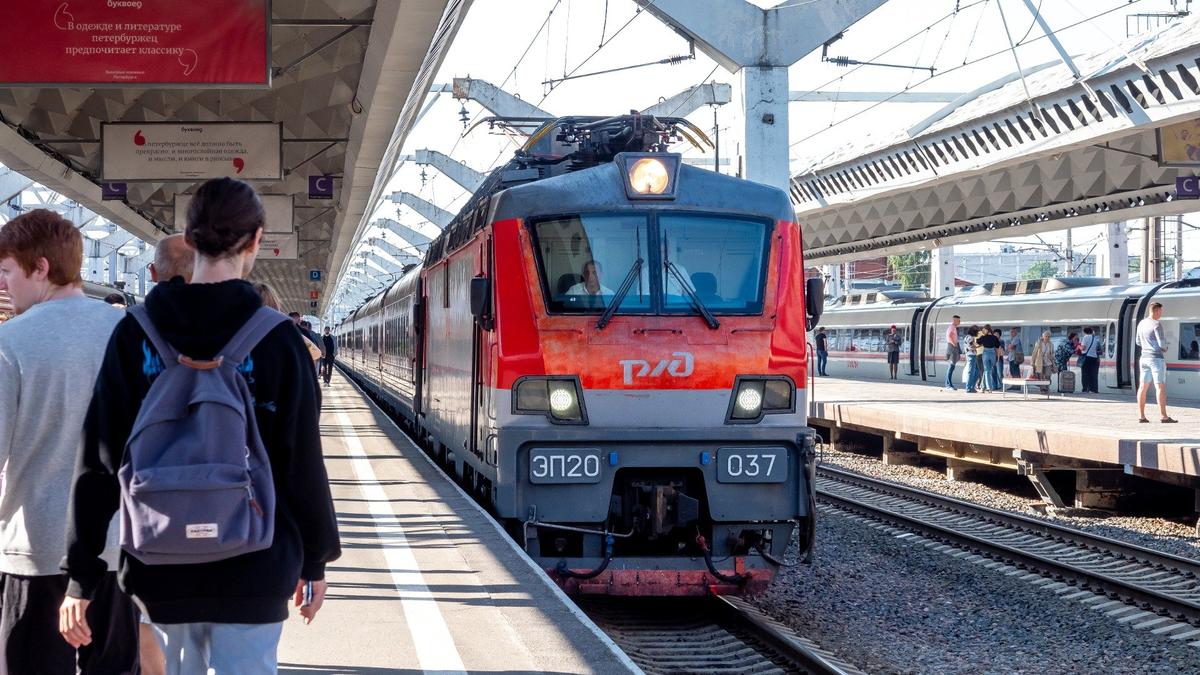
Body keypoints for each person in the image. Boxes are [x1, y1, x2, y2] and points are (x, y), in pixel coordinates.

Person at [60, 177, 342, 674]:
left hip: (158, 563)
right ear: (256, 241)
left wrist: (82, 575)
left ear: (189, 240)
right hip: (256, 563)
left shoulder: (135, 334)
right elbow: (301, 463)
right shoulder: (278, 341)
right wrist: (315, 560)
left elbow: (99, 460)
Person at [0, 209, 139, 673]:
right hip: (117, 548)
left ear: (40, 268)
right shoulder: (128, 335)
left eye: (6, 273)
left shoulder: (11, 343)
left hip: (35, 550)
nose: (4, 287)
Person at [1137, 302, 1175, 423]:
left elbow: (1138, 342)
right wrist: (1165, 348)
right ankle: (1164, 416)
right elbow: (1162, 344)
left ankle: (1142, 416)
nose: (1161, 314)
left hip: (1144, 358)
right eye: (1160, 312)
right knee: (1160, 386)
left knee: (1143, 386)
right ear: (1157, 311)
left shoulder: (1141, 324)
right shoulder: (1156, 324)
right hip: (1156, 359)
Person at [978, 325, 1002, 392]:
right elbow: (998, 347)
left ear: (987, 330)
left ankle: (984, 387)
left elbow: (977, 342)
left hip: (986, 353)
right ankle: (987, 387)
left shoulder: (983, 337)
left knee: (987, 371)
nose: (983, 331)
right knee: (988, 371)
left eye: (984, 330)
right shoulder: (994, 337)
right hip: (992, 354)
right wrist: (997, 357)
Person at [1080, 326, 1101, 394]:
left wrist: (1078, 347)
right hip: (1094, 358)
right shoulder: (1095, 338)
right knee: (1093, 374)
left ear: (1085, 332)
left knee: (1085, 374)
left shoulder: (1085, 337)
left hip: (1086, 358)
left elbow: (1083, 348)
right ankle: (1094, 389)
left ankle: (1085, 389)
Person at [944, 315, 961, 391]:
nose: (959, 322)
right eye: (958, 320)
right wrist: (954, 344)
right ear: (954, 320)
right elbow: (950, 335)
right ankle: (948, 385)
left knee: (951, 366)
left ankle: (948, 384)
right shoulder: (952, 327)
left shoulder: (952, 327)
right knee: (951, 366)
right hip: (952, 347)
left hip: (952, 347)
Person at [964, 326, 981, 394]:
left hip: (971, 355)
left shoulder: (967, 337)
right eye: (977, 332)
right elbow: (972, 346)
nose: (978, 333)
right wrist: (980, 346)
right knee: (971, 372)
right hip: (971, 355)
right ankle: (968, 388)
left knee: (976, 371)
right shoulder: (970, 337)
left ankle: (971, 387)